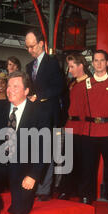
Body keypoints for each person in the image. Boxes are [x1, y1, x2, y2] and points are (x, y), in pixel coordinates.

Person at [0, 71, 52, 214]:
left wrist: (33, 176)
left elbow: (44, 147)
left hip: (24, 167)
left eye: (15, 86)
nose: (9, 90)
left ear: (26, 91)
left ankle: (21, 198)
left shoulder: (40, 112)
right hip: (2, 160)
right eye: (8, 86)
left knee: (19, 212)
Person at [77, 50, 108, 214]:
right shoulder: (85, 84)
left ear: (107, 63)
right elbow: (81, 108)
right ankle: (86, 199)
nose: (98, 64)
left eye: (101, 60)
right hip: (90, 132)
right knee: (87, 168)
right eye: (95, 61)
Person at [25, 29, 64, 201]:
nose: (30, 50)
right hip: (33, 116)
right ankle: (33, 185)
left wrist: (40, 97)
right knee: (34, 152)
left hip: (48, 114)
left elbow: (59, 87)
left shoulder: (52, 63)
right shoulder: (28, 66)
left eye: (32, 46)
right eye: (27, 47)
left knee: (46, 153)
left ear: (41, 43)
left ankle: (44, 190)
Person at [57, 53, 90, 203]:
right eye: (68, 66)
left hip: (83, 126)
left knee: (84, 161)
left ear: (80, 66)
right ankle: (65, 190)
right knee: (67, 160)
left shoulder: (90, 83)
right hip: (70, 125)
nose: (69, 70)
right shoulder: (71, 83)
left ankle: (83, 192)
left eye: (71, 66)